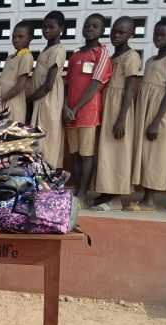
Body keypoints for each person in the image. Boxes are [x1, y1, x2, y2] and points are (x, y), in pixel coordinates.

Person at [128, 20, 166, 213]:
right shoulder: (150, 60)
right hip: (145, 111)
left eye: (163, 35)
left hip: (160, 113)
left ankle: (150, 201)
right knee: (143, 153)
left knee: (155, 155)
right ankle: (144, 197)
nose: (158, 38)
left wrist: (156, 121)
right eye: (155, 34)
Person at [91, 17, 140, 211]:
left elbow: (130, 89)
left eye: (122, 32)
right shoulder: (111, 57)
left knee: (118, 151)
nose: (116, 35)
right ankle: (106, 193)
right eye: (114, 32)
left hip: (120, 108)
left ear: (131, 34)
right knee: (105, 151)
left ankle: (116, 198)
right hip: (107, 104)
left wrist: (121, 118)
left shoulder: (131, 56)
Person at [65, 14, 112, 206]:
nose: (89, 29)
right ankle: (76, 189)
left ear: (102, 31)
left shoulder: (101, 53)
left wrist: (75, 108)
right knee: (75, 154)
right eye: (87, 25)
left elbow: (95, 84)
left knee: (86, 154)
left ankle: (83, 194)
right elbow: (68, 84)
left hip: (88, 113)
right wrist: (65, 108)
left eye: (95, 26)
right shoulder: (76, 55)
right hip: (70, 113)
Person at [28, 12, 66, 168]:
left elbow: (48, 84)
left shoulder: (58, 49)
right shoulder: (47, 48)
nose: (46, 30)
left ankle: (46, 176)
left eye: (51, 27)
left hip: (48, 99)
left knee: (46, 136)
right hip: (41, 98)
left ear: (61, 28)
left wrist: (28, 100)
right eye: (44, 27)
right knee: (39, 137)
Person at [0, 22, 34, 123]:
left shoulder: (26, 57)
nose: (16, 40)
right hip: (1, 102)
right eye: (14, 37)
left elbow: (20, 86)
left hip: (12, 103)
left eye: (20, 37)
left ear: (30, 38)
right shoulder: (10, 58)